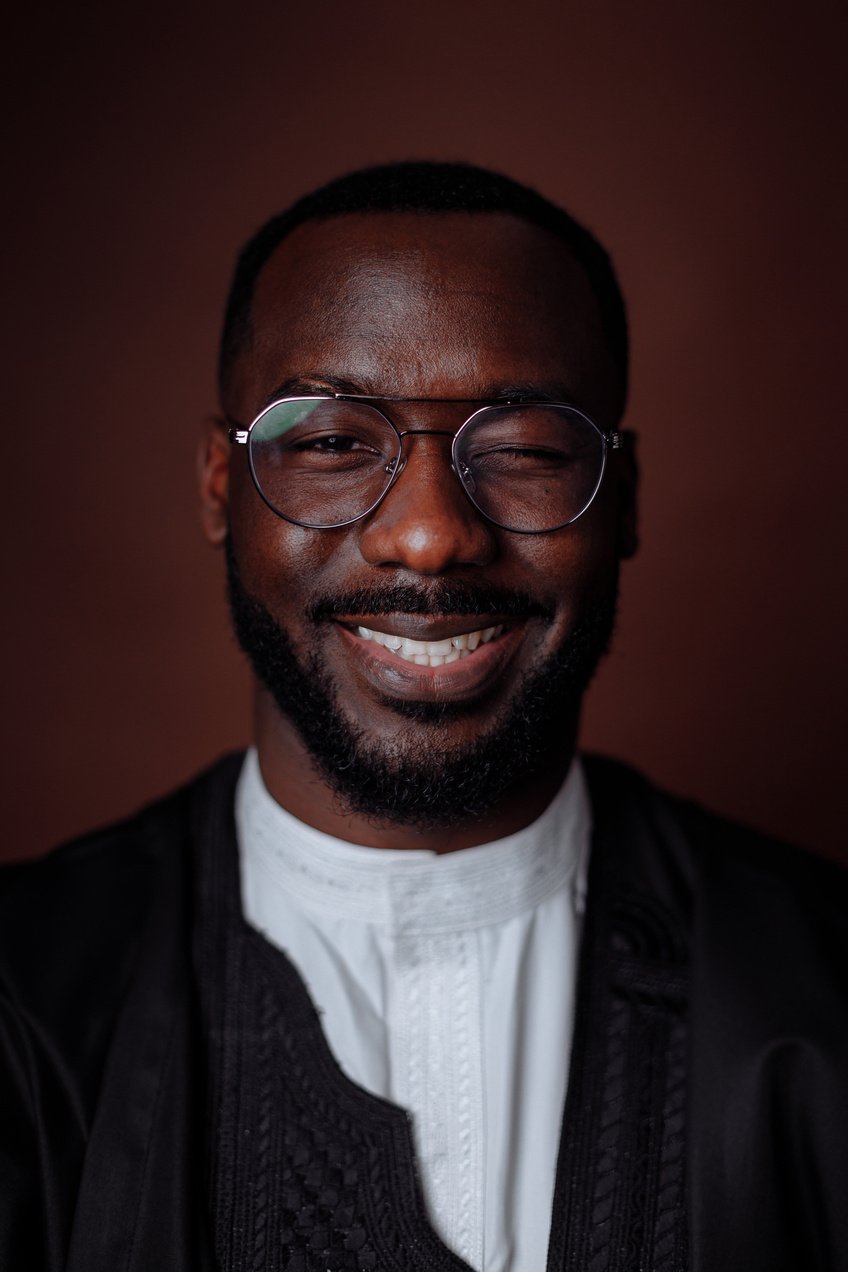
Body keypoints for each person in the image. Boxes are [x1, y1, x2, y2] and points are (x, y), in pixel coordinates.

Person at [1, 162, 846, 1272]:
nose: (429, 536)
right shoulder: (23, 1005)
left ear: (623, 500)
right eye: (334, 443)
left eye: (525, 450)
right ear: (219, 486)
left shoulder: (825, 991)